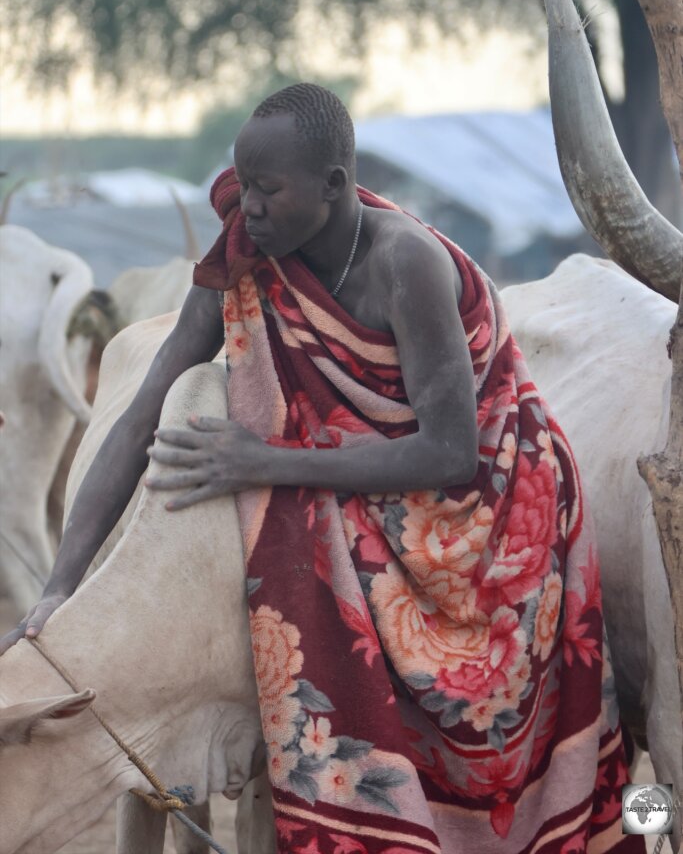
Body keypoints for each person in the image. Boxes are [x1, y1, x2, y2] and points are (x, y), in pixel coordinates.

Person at [1, 83, 641, 854]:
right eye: (244, 186)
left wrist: (261, 460)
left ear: (335, 185)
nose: (251, 208)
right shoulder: (246, 255)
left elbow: (450, 451)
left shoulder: (407, 263)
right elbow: (143, 410)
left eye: (268, 190)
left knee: (487, 715)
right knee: (297, 549)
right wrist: (60, 586)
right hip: (365, 482)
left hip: (492, 512)